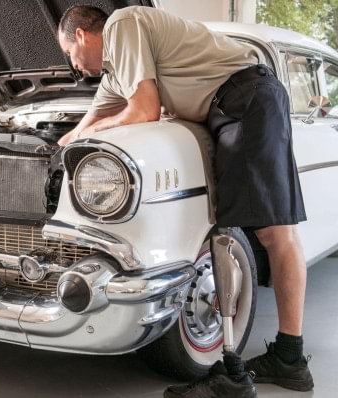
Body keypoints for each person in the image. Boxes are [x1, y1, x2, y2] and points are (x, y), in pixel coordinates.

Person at [57, 5, 313, 397]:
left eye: (69, 55)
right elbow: (89, 123)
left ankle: (239, 375)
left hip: (244, 100)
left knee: (258, 233)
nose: (74, 66)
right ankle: (289, 359)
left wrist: (96, 129)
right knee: (272, 234)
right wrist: (66, 142)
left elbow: (144, 109)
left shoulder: (121, 24)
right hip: (240, 105)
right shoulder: (118, 71)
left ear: (80, 36)